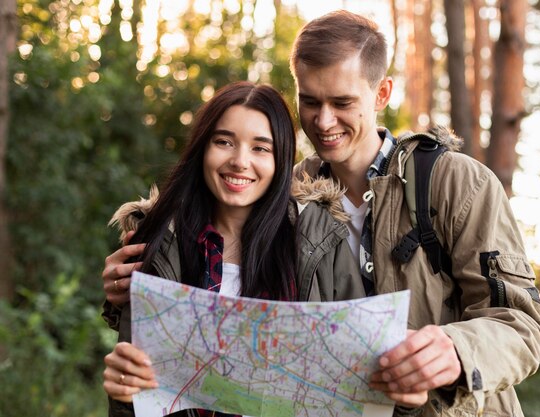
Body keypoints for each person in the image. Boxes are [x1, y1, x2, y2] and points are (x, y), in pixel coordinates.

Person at [103, 10, 540, 417]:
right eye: (310, 101)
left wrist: (456, 350)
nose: (323, 120)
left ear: (382, 92)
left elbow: (521, 323)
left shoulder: (455, 184)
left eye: (342, 102)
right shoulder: (283, 197)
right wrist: (136, 288)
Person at [101, 81, 365, 417]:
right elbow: (131, 400)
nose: (240, 161)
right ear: (202, 148)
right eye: (224, 141)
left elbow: (358, 381)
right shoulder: (159, 243)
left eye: (260, 148)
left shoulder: (322, 242)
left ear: (281, 160)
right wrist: (125, 391)